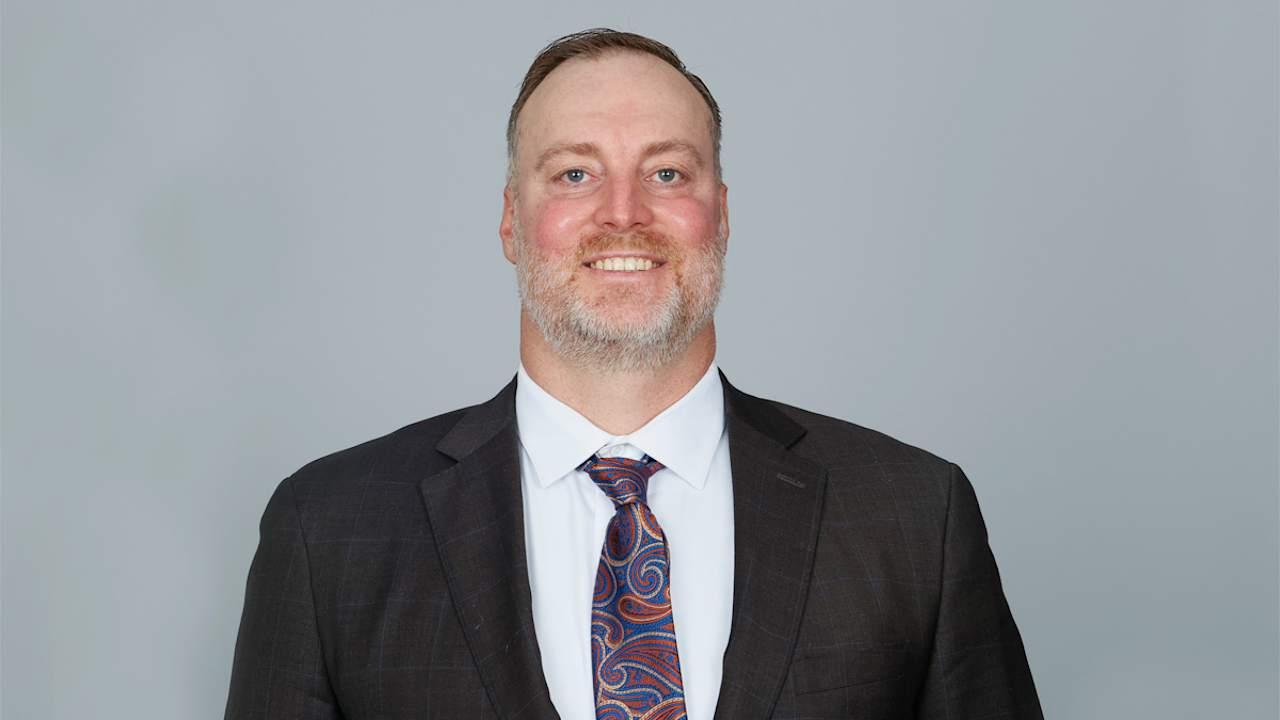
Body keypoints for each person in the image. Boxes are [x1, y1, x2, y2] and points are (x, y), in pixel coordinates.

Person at [224, 28, 1044, 720]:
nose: (624, 213)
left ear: (721, 215)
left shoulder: (912, 517)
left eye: (667, 173)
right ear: (511, 220)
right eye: (575, 174)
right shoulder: (329, 532)